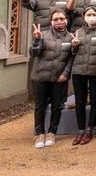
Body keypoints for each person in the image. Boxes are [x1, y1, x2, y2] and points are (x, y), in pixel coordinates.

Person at [29, 8, 73, 149]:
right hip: (40, 76)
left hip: (58, 77)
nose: (59, 22)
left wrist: (65, 74)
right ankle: (39, 133)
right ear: (51, 22)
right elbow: (34, 53)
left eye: (61, 19)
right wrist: (37, 40)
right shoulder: (42, 35)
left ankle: (52, 132)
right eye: (56, 19)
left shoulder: (71, 38)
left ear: (66, 20)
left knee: (57, 105)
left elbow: (71, 58)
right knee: (40, 106)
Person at [68, 5, 96, 145]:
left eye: (94, 14)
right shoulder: (77, 32)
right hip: (78, 71)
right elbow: (71, 53)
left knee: (95, 100)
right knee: (80, 101)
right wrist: (74, 46)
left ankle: (90, 129)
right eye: (88, 15)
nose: (91, 17)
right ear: (84, 17)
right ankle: (80, 129)